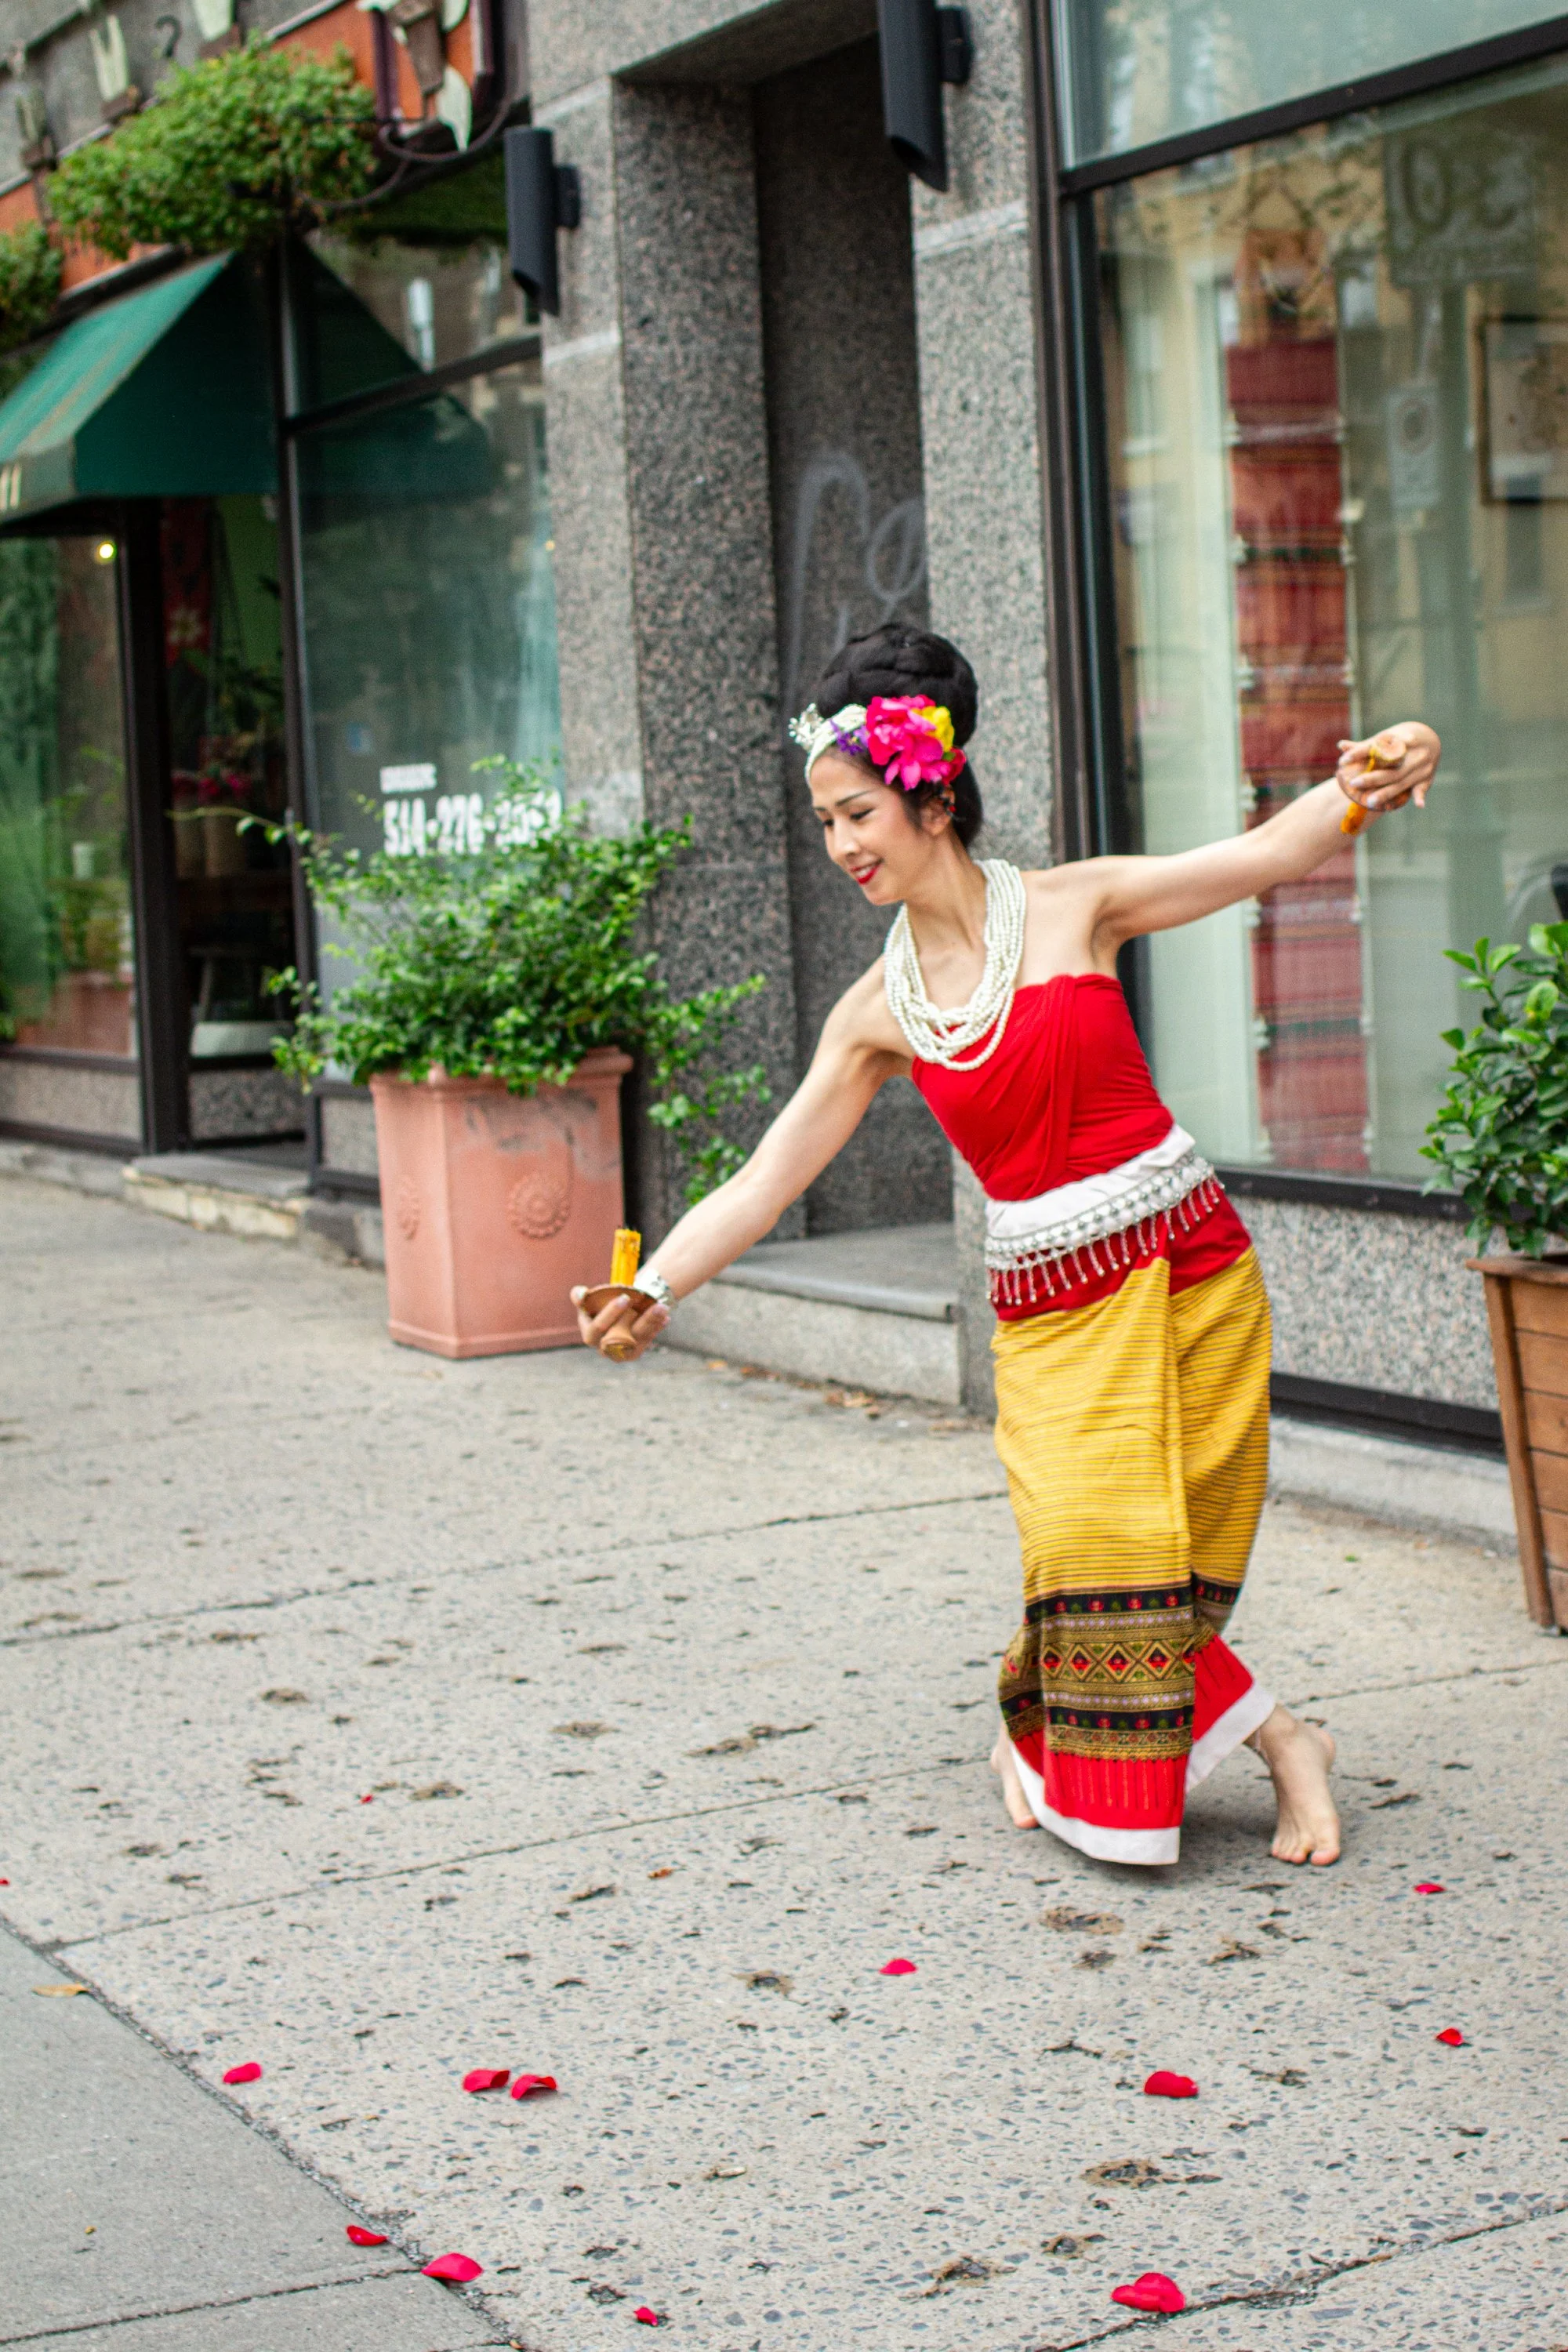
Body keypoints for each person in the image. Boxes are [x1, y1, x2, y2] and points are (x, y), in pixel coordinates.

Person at [572, 626, 1440, 1872]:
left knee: (1176, 1566)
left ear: (929, 788)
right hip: (1055, 1308)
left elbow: (1259, 857)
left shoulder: (1080, 903)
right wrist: (654, 1282)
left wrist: (1374, 773)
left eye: (856, 811)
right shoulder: (880, 1012)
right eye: (824, 823)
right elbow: (767, 1179)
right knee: (1099, 1553)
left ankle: (1097, 1738)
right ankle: (1280, 1739)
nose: (843, 847)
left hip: (1192, 1266)